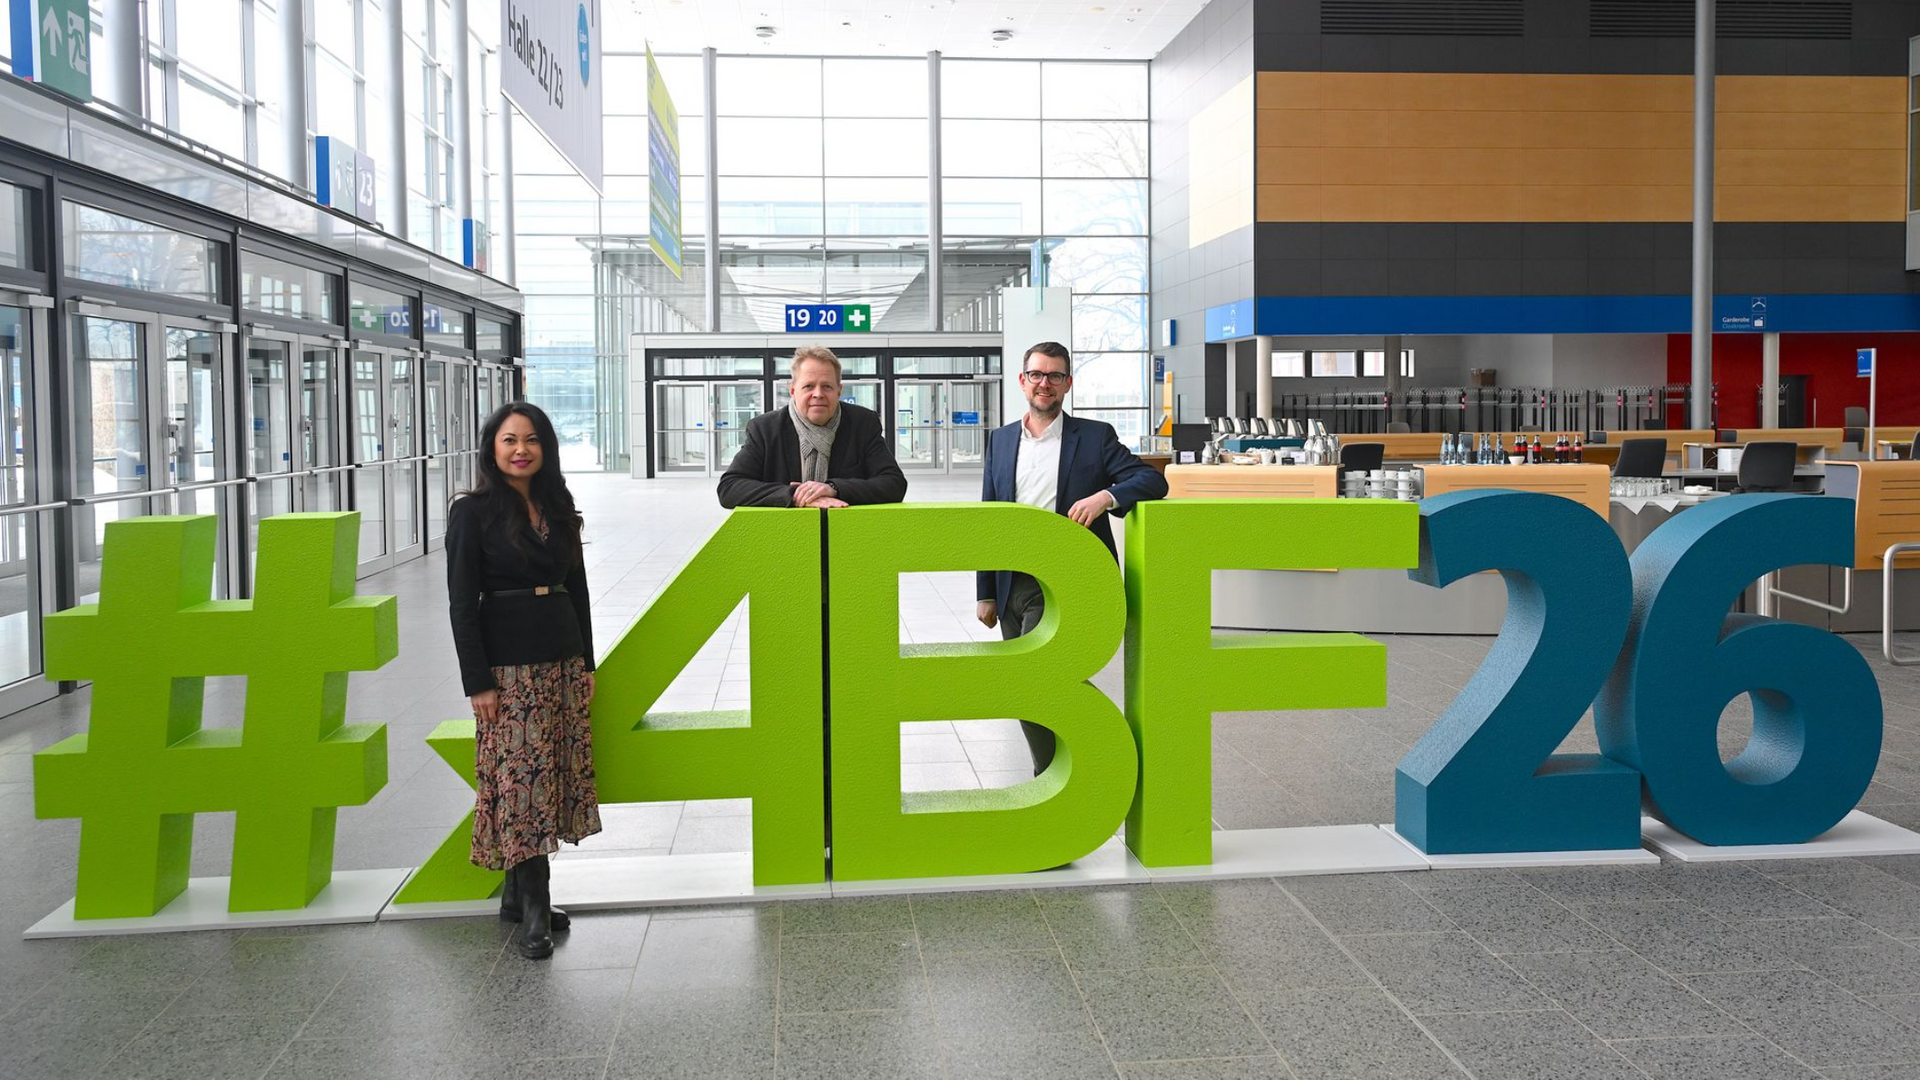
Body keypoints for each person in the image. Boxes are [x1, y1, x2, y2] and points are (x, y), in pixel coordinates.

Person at [446, 402, 601, 960]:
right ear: (492, 448)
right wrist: (477, 681)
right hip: (508, 669)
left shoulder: (558, 506)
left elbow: (578, 590)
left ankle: (516, 897)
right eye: (509, 439)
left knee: (548, 776)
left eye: (531, 440)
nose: (520, 450)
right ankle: (536, 907)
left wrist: (586, 662)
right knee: (521, 785)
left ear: (546, 448)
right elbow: (461, 603)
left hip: (560, 657)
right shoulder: (472, 512)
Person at [977, 341, 1169, 774]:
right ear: (1023, 380)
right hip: (1012, 582)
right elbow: (989, 517)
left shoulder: (1095, 437)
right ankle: (1061, 776)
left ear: (1068, 383)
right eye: (1037, 374)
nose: (1045, 383)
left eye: (1055, 376)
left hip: (1067, 582)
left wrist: (1105, 497)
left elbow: (1152, 481)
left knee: (1040, 679)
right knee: (1022, 686)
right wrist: (985, 590)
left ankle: (1053, 775)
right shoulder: (1000, 440)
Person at [717, 345, 907, 508]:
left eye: (827, 386)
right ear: (793, 390)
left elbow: (894, 483)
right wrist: (796, 494)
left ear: (839, 391)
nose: (818, 394)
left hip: (848, 532)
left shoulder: (863, 424)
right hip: (786, 534)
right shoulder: (765, 429)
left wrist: (834, 488)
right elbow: (729, 488)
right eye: (808, 386)